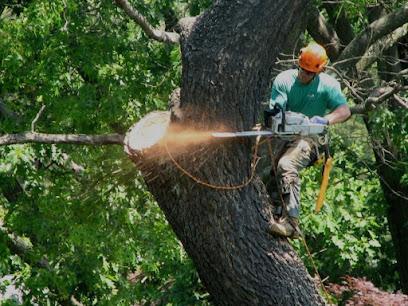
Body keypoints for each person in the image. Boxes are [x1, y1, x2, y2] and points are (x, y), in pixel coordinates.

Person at [267, 42, 351, 238]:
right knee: (266, 171)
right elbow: (276, 109)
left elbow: (344, 110)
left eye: (309, 73)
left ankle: (292, 224)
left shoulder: (328, 85)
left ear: (319, 71)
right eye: (302, 70)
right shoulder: (284, 80)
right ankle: (275, 211)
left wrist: (325, 120)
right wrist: (278, 118)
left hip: (311, 139)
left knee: (287, 165)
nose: (304, 75)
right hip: (284, 136)